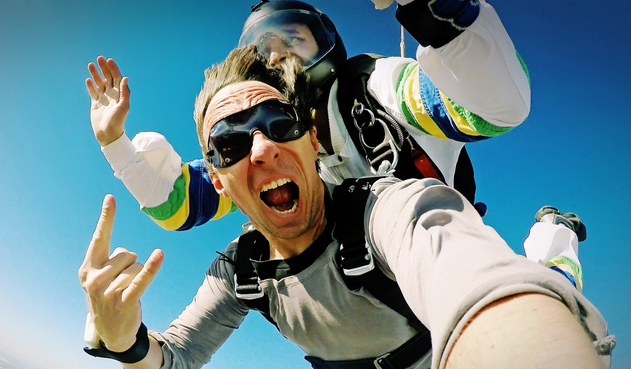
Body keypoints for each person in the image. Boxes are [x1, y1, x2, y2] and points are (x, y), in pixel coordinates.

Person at [79, 46, 631, 369]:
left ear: (313, 139)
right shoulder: (240, 272)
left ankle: (556, 231)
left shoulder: (387, 210)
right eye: (229, 142)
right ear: (217, 180)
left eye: (280, 122)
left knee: (552, 281)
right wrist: (126, 342)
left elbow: (482, 291)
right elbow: (173, 364)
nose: (263, 149)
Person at [86, 0, 588, 293]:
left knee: (551, 297)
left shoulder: (375, 90)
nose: (279, 54)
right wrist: (118, 147)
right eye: (265, 49)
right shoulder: (262, 148)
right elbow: (183, 204)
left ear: (326, 45)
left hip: (446, 247)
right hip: (383, 289)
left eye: (293, 39)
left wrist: (433, 11)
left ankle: (555, 234)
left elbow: (493, 105)